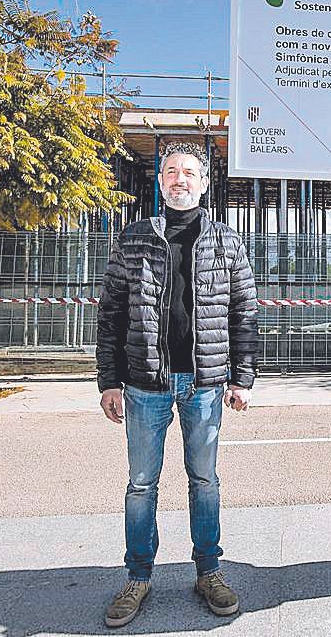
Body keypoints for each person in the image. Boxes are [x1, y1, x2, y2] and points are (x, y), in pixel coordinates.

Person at [96, 142, 258, 627]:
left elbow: (244, 313)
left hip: (205, 384)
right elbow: (111, 314)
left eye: (189, 172)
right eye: (171, 172)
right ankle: (138, 577)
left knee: (204, 481)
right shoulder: (133, 239)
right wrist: (109, 381)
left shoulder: (227, 241)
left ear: (205, 183)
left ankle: (208, 570)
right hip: (145, 383)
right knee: (142, 484)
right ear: (160, 182)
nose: (180, 179)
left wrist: (243, 377)